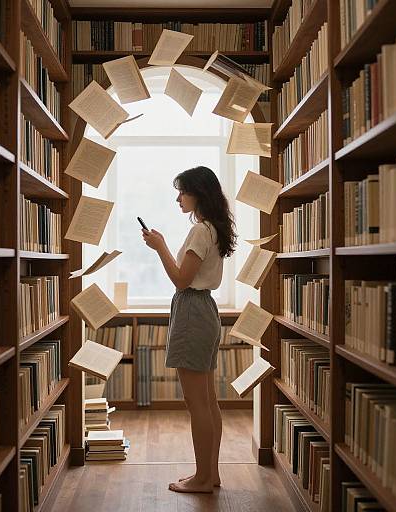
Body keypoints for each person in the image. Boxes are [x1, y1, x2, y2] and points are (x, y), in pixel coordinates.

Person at [141, 165, 237, 493]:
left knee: (198, 404)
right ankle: (211, 474)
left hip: (192, 310)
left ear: (199, 193)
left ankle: (201, 478)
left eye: (182, 191)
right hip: (205, 309)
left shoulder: (200, 230)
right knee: (209, 401)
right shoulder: (213, 228)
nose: (178, 198)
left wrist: (161, 247)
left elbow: (182, 279)